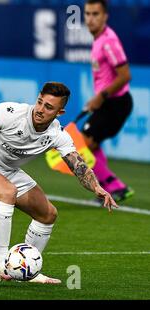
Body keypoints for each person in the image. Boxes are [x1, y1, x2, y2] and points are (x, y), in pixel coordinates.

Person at [0, 82, 117, 284]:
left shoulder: (57, 135)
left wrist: (96, 187)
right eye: (39, 102)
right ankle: (3, 265)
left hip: (8, 171)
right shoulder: (10, 113)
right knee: (7, 192)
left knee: (48, 214)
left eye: (48, 107)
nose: (40, 110)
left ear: (60, 112)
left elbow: (77, 165)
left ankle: (25, 270)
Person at [83, 0, 134, 202]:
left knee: (86, 143)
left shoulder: (108, 40)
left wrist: (101, 96)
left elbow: (125, 75)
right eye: (87, 14)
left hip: (116, 103)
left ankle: (115, 186)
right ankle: (112, 187)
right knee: (90, 143)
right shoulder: (98, 40)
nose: (91, 19)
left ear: (105, 16)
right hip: (107, 103)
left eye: (96, 14)